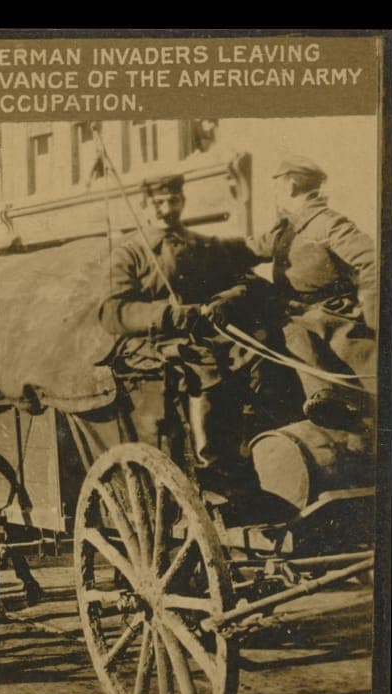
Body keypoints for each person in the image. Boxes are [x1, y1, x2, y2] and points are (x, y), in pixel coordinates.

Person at [98, 172, 274, 494]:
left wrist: (225, 300)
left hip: (207, 331)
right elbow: (112, 312)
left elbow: (241, 280)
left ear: (183, 201)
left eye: (174, 201)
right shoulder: (131, 253)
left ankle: (257, 453)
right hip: (156, 339)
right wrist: (166, 314)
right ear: (145, 205)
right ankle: (209, 466)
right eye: (159, 202)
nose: (167, 209)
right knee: (203, 371)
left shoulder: (201, 246)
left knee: (258, 358)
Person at [250, 154, 378, 428]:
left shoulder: (328, 223)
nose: (275, 193)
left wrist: (376, 317)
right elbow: (253, 248)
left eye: (276, 186)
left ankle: (326, 400)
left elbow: (372, 261)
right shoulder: (288, 226)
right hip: (297, 315)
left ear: (290, 186)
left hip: (329, 316)